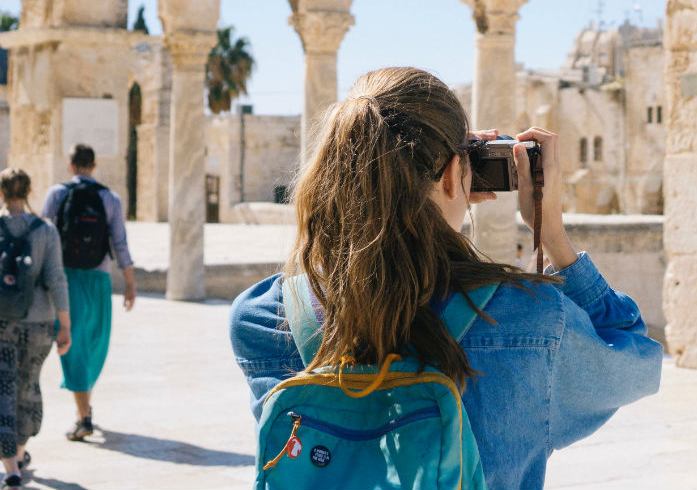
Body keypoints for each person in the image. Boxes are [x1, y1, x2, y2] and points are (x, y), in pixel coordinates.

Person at [229, 67, 662, 489]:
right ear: (456, 174)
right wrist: (553, 238)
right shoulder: (530, 320)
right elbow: (637, 360)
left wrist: (448, 175)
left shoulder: (262, 318)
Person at [41, 144, 136, 442]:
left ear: (70, 165)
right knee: (94, 342)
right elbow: (119, 243)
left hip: (65, 277)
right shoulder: (110, 198)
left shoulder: (56, 194)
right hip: (99, 277)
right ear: (94, 166)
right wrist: (130, 283)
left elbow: (44, 236)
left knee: (74, 342)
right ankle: (84, 414)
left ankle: (84, 412)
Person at [0, 168, 71, 490]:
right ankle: (19, 450)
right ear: (29, 191)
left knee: (4, 390)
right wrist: (65, 325)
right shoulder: (45, 230)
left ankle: (11, 468)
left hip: (2, 323)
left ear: (1, 192)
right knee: (27, 387)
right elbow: (56, 277)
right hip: (39, 323)